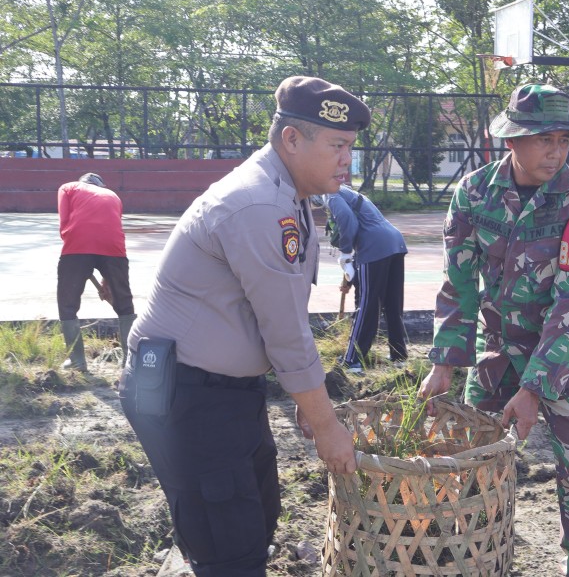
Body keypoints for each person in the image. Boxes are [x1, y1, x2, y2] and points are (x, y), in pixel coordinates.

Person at [118, 76, 368, 576]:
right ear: (291, 140)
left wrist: (308, 401)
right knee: (227, 544)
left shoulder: (287, 194)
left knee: (255, 516)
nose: (348, 160)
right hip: (187, 395)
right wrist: (325, 424)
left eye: (350, 148)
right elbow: (285, 331)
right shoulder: (257, 204)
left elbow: (286, 315)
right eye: (338, 145)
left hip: (227, 391)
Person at [418, 83, 569, 576]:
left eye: (564, 140)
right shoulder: (474, 192)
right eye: (544, 139)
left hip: (563, 358)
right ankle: (479, 561)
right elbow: (459, 284)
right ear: (512, 140)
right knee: (474, 466)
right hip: (494, 351)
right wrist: (445, 362)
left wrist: (534, 388)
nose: (556, 151)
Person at [323, 185, 408, 373]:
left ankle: (352, 360)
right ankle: (399, 356)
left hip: (374, 247)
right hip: (394, 242)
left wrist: (345, 253)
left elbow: (346, 220)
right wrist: (350, 270)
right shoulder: (350, 194)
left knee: (367, 303)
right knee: (392, 304)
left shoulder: (329, 192)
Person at [57, 172, 136, 371]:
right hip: (114, 249)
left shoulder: (68, 187)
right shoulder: (113, 195)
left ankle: (77, 362)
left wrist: (77, 259)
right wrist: (107, 282)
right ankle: (130, 362)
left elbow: (64, 225)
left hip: (77, 247)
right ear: (101, 185)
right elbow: (109, 229)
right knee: (124, 304)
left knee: (68, 304)